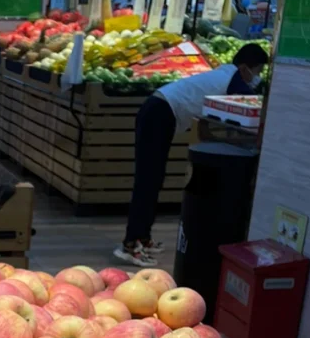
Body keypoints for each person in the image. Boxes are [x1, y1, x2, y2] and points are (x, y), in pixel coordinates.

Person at [115, 42, 268, 267]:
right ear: (245, 68)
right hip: (159, 113)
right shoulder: (233, 78)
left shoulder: (225, 73)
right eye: (258, 71)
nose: (257, 77)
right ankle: (130, 244)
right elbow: (253, 102)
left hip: (158, 111)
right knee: (147, 182)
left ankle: (143, 238)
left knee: (153, 180)